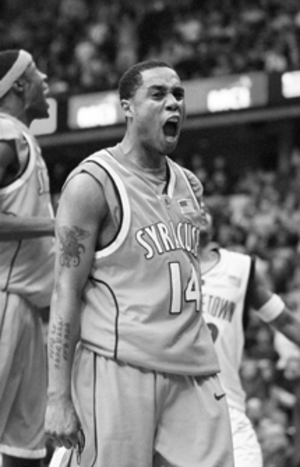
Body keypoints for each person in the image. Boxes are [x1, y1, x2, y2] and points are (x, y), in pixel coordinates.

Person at [45, 60, 234, 467]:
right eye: (158, 94)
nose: (173, 104)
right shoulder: (91, 184)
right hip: (119, 368)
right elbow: (65, 290)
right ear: (126, 106)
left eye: (179, 95)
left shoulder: (189, 184)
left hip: (194, 370)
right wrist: (57, 396)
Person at [198, 205, 300, 467]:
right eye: (188, 205)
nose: (198, 211)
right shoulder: (157, 268)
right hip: (172, 405)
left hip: (226, 404)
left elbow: (286, 320)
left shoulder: (239, 267)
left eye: (203, 207)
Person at [0, 49, 55, 467]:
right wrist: (59, 225)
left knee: (26, 449)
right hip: (4, 297)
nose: (47, 78)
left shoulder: (21, 136)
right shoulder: (4, 134)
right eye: (38, 73)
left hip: (29, 309)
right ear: (19, 84)